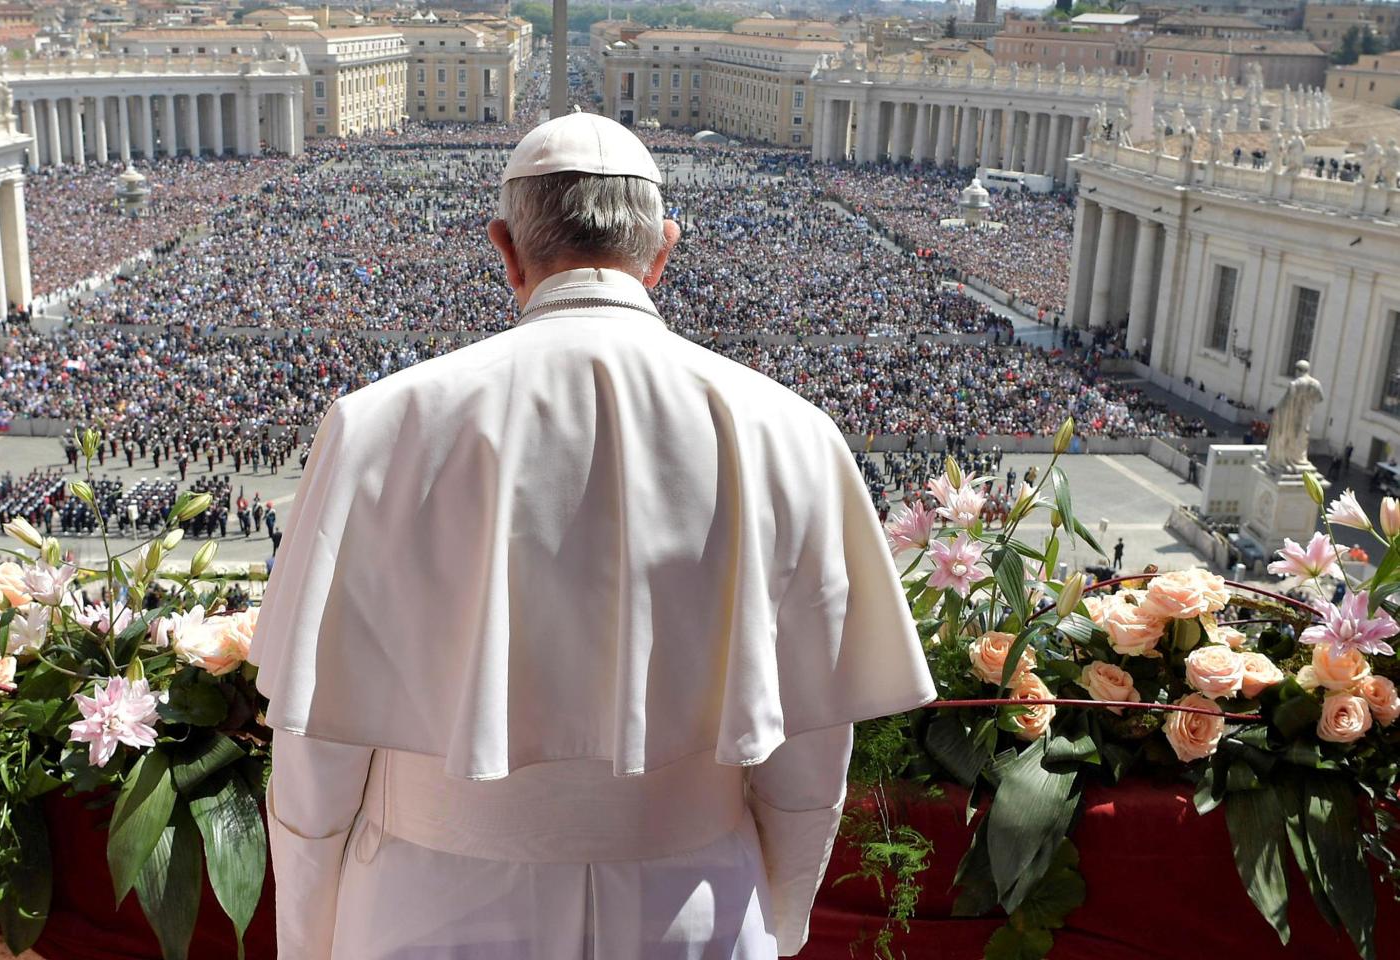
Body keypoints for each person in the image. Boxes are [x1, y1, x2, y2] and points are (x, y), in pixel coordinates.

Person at [252, 112, 936, 960]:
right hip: (695, 906)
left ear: (504, 247)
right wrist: (777, 911)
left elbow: (317, 753)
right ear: (662, 251)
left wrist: (310, 934)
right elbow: (808, 756)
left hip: (427, 904)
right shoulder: (791, 430)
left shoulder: (377, 425)